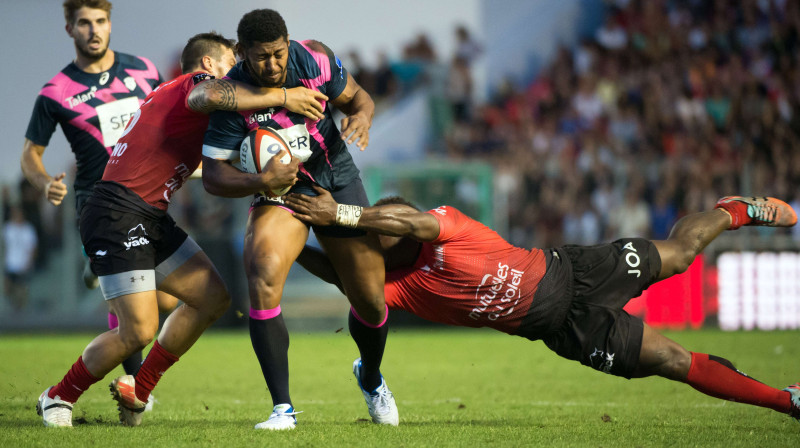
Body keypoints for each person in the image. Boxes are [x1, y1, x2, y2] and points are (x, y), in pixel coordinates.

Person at [286, 190, 800, 422]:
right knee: (673, 363)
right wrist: (293, 244)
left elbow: (414, 223)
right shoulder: (400, 287)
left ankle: (733, 210)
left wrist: (347, 213)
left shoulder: (446, 226)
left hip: (575, 270)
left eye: (387, 219)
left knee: (683, 254)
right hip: (564, 329)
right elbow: (344, 277)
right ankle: (788, 401)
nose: (390, 224)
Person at [35, 31, 327, 428]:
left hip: (148, 215)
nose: (238, 74)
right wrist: (283, 97)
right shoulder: (194, 86)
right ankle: (58, 396)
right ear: (209, 66)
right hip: (117, 212)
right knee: (138, 329)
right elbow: (207, 97)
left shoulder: (179, 106)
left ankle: (140, 389)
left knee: (212, 297)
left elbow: (204, 166)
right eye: (230, 65)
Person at [202, 8, 397, 430]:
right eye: (261, 57)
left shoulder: (316, 60)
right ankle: (282, 409)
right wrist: (262, 178)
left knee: (369, 297)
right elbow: (214, 177)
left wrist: (361, 117)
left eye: (277, 54)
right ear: (241, 53)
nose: (272, 65)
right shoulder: (232, 95)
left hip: (337, 181)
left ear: (288, 44)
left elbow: (360, 99)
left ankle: (371, 376)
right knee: (263, 268)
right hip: (279, 193)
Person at [21, 0, 171, 387]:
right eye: (84, 23)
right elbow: (29, 155)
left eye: (101, 21)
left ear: (110, 24)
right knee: (129, 304)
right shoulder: (56, 92)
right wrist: (45, 183)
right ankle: (137, 385)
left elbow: (169, 122)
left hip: (148, 196)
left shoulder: (144, 71)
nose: (94, 30)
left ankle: (96, 273)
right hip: (98, 201)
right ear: (69, 29)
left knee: (166, 299)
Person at [3, 206, 38, 312]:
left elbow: (33, 248)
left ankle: (20, 314)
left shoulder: (28, 229)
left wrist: (29, 262)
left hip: (23, 265)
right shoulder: (7, 228)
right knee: (7, 289)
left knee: (21, 291)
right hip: (10, 264)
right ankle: (12, 307)